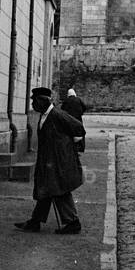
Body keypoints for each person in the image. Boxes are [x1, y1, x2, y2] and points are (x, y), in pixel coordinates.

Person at [14, 86, 86, 235]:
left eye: (35, 101)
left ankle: (73, 222)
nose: (33, 104)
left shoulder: (57, 114)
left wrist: (66, 147)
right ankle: (35, 222)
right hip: (49, 161)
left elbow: (79, 129)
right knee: (46, 190)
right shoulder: (45, 115)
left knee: (58, 190)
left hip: (58, 162)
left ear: (43, 101)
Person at [61, 87, 88, 152]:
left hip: (69, 119)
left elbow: (62, 109)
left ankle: (69, 146)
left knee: (69, 133)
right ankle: (81, 147)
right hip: (78, 118)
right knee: (80, 132)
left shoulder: (66, 101)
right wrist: (81, 112)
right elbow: (84, 107)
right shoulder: (78, 99)